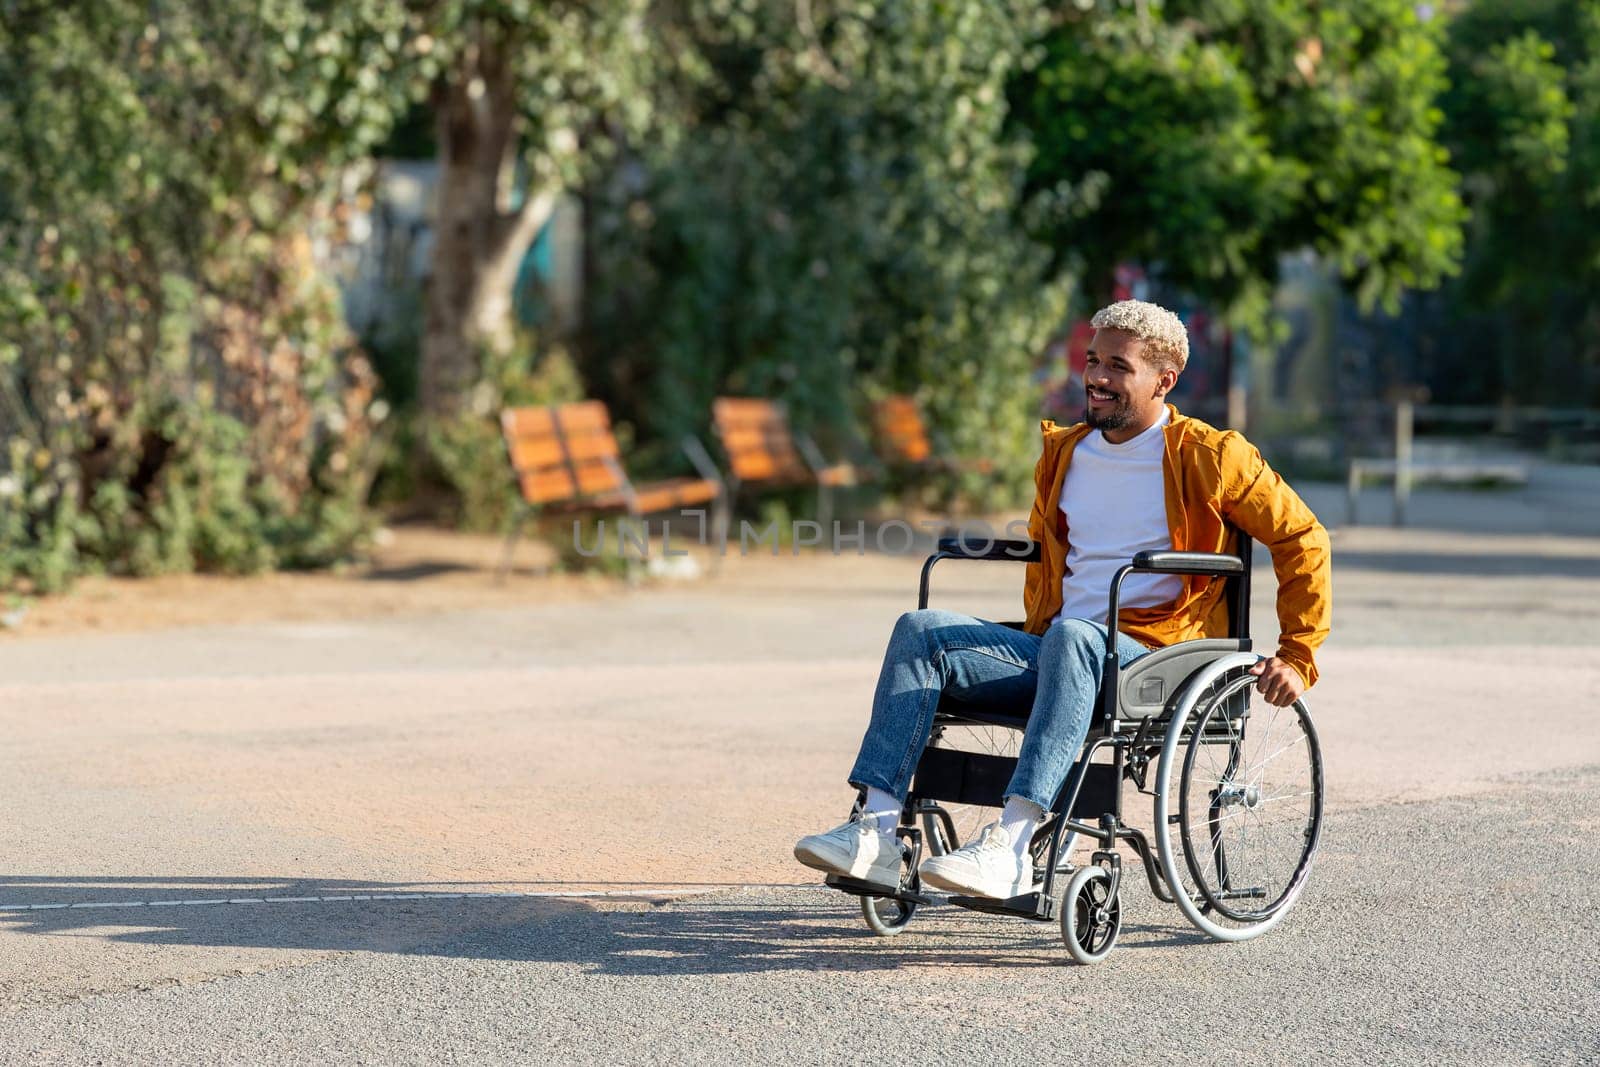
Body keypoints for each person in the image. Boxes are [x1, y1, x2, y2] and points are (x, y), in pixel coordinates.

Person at [794, 299, 1332, 899]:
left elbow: (1303, 537)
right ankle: (875, 832)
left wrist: (1297, 652)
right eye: (1093, 360)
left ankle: (1013, 847)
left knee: (1077, 636)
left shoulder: (1211, 456)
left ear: (1164, 380)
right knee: (922, 630)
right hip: (1060, 649)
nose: (1097, 377)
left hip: (1155, 657)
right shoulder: (1065, 453)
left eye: (1118, 367)